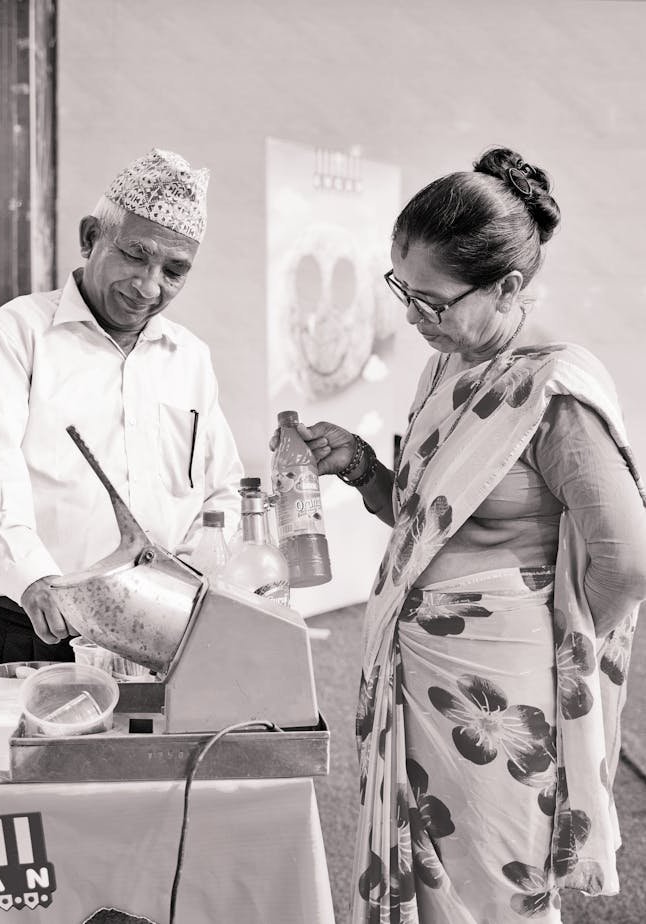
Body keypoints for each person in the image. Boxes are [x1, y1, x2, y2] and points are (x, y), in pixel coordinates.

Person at [274, 147, 646, 923]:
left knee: (495, 896)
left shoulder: (552, 392)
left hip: (499, 706)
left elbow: (626, 560)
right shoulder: (445, 371)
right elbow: (424, 520)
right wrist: (366, 468)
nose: (413, 316)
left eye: (433, 301)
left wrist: (552, 648)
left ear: (509, 286)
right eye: (401, 290)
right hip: (417, 683)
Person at [0, 148, 243, 677]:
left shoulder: (190, 358)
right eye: (135, 255)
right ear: (90, 237)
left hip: (158, 634)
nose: (150, 286)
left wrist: (194, 576)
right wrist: (35, 578)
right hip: (32, 626)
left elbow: (220, 489)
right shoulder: (16, 334)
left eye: (174, 271)